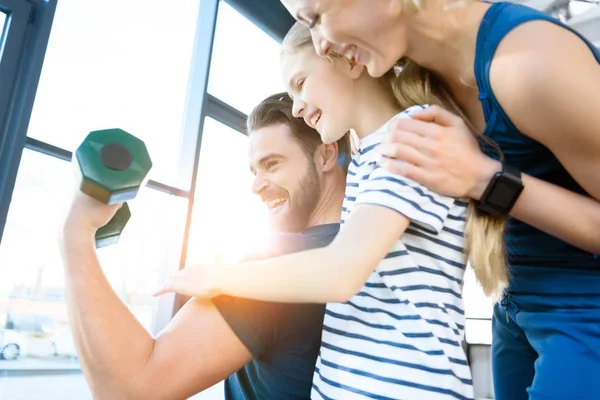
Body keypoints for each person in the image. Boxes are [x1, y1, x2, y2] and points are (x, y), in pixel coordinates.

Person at [153, 21, 511, 400]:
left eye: (300, 83)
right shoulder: (367, 159)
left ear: (349, 59)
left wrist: (219, 277)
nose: (297, 106)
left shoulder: (407, 139)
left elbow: (341, 273)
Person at [278, 0, 600, 399]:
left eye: (315, 17)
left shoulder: (526, 63)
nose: (320, 43)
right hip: (515, 306)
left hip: (586, 310)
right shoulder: (422, 81)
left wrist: (485, 180)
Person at [58, 92, 350, 400]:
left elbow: (130, 389)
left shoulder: (277, 263)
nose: (256, 186)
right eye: (255, 171)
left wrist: (76, 233)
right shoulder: (361, 253)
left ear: (326, 155)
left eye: (272, 164)